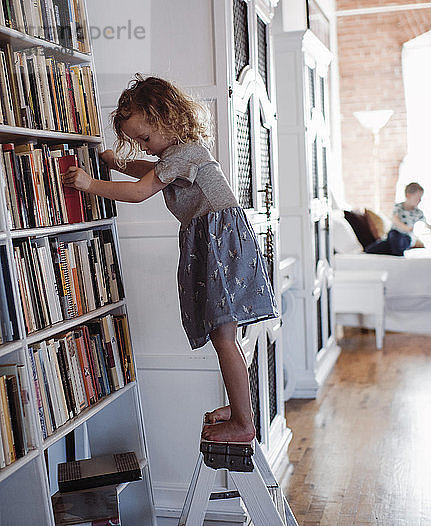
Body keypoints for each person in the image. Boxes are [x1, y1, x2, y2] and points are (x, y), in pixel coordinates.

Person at [61, 74, 277, 443]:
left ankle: (243, 423)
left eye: (145, 138)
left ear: (167, 118)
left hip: (217, 241)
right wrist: (116, 163)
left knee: (223, 336)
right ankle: (241, 409)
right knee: (225, 335)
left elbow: (142, 191)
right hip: (215, 239)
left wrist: (91, 184)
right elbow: (151, 173)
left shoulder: (185, 153)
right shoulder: (179, 155)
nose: (143, 148)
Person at [365, 182, 431, 256]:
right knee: (369, 249)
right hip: (393, 236)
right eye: (417, 198)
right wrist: (407, 228)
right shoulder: (398, 207)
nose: (420, 200)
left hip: (406, 237)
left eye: (420, 198)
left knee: (399, 243)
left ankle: (395, 250)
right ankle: (395, 250)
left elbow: (428, 226)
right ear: (408, 196)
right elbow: (395, 220)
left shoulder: (418, 212)